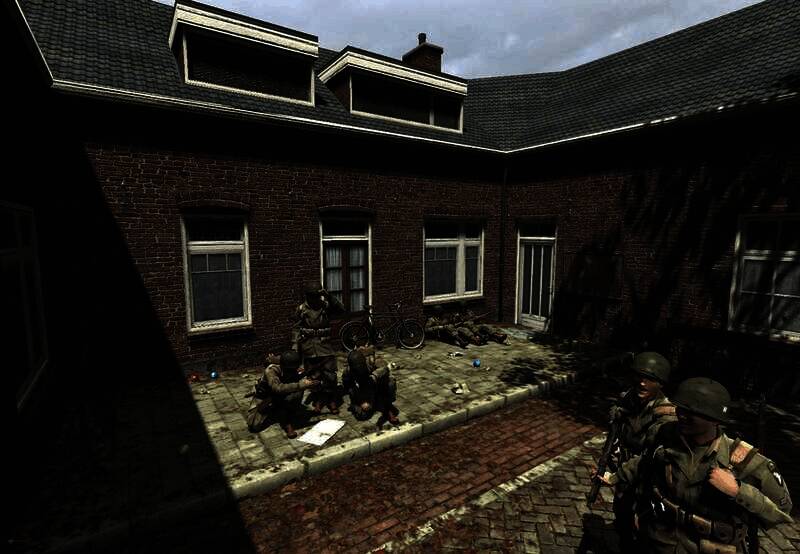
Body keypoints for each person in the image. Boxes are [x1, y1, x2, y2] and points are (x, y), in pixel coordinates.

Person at [600, 377, 793, 553]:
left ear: (715, 420)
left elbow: (781, 512)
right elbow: (645, 460)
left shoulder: (745, 461)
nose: (682, 416)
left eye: (693, 413)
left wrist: (738, 491)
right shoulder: (665, 435)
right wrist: (615, 477)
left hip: (711, 547)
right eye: (681, 409)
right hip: (659, 541)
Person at [607, 352, 677, 552]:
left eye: (649, 379)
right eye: (639, 376)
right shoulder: (629, 400)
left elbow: (653, 456)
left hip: (648, 479)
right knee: (622, 517)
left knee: (645, 529)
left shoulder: (666, 416)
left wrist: (618, 476)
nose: (642, 383)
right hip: (627, 474)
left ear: (660, 383)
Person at [292, 281, 345, 414]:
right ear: (307, 296)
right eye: (311, 296)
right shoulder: (301, 309)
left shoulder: (326, 306)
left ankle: (331, 400)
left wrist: (329, 296)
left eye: (316, 296)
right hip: (308, 347)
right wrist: (294, 347)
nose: (314, 299)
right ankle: (319, 400)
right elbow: (296, 328)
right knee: (313, 376)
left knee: (330, 375)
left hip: (325, 346)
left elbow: (341, 310)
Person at [247, 350, 319, 438]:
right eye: (289, 369)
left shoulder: (291, 364)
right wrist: (301, 384)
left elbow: (296, 374)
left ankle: (287, 419)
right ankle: (275, 408)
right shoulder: (272, 370)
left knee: (296, 393)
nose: (292, 370)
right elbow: (277, 388)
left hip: (281, 394)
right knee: (254, 426)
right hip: (267, 395)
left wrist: (308, 380)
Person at [343, 347, 400, 427]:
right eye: (357, 367)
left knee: (390, 383)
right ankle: (357, 405)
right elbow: (348, 388)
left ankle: (387, 407)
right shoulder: (348, 372)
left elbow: (384, 370)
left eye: (361, 365)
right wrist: (361, 402)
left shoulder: (371, 363)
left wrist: (374, 376)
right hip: (362, 393)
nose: (359, 368)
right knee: (362, 415)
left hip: (375, 388)